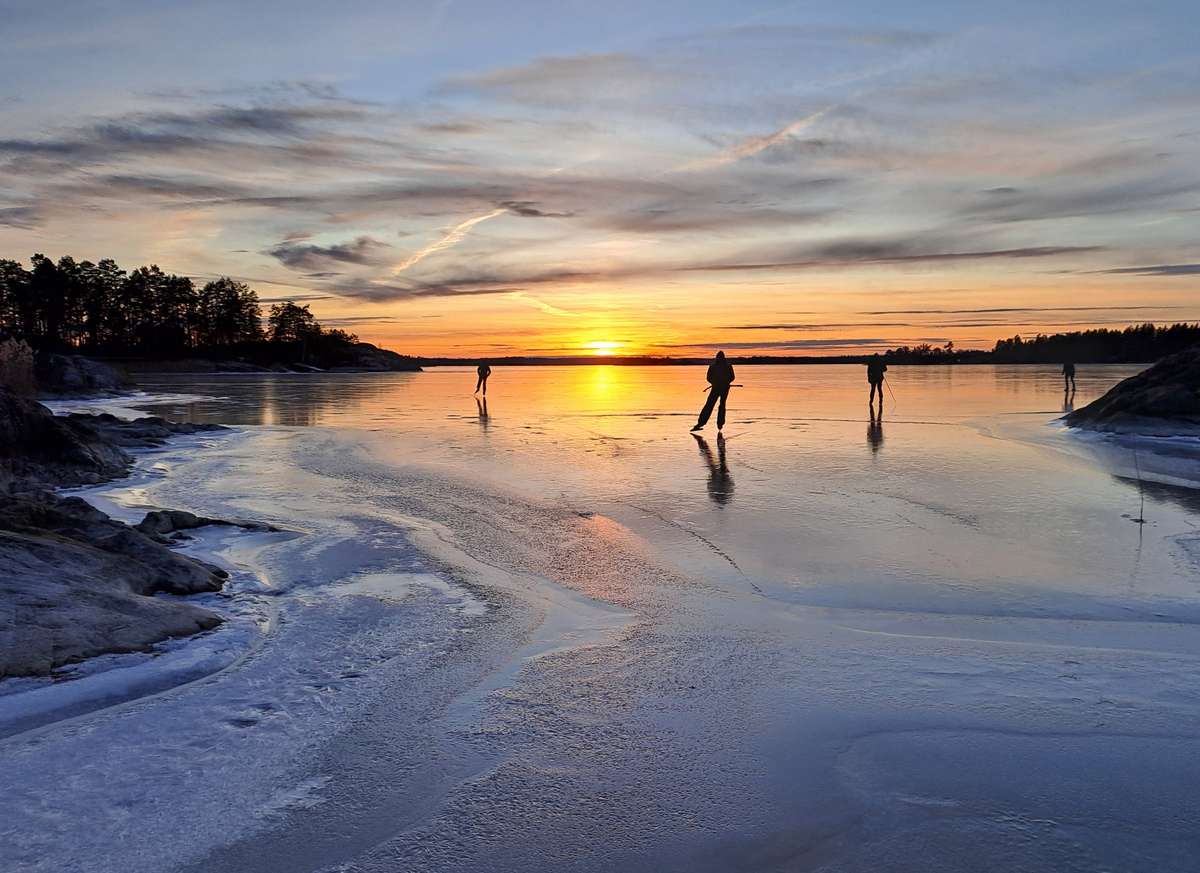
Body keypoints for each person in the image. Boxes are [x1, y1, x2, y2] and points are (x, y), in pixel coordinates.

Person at [691, 350, 735, 432]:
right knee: (717, 405)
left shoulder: (716, 366)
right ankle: (718, 424)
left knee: (711, 405)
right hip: (720, 388)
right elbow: (731, 377)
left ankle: (705, 423)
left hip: (720, 388)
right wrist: (721, 382)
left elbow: (731, 377)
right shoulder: (723, 366)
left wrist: (718, 382)